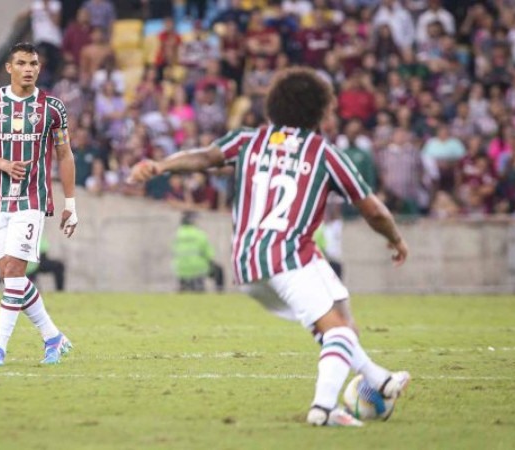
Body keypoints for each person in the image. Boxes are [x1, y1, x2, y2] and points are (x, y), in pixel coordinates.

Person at [130, 67, 410, 427]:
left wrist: (161, 165)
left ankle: (379, 380)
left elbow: (205, 157)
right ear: (320, 112)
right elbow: (372, 208)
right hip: (288, 257)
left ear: (273, 107)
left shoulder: (249, 140)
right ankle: (324, 410)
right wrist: (396, 239)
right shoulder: (323, 152)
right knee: (337, 331)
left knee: (339, 307)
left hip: (249, 263)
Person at [0, 42, 79, 366]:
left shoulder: (53, 108)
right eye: (21, 63)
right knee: (9, 274)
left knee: (16, 270)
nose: (28, 68)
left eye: (33, 63)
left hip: (32, 199)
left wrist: (70, 203)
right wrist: (2, 164)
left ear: (39, 68)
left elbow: (64, 154)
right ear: (9, 67)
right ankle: (53, 337)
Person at [173, 211, 224, 293]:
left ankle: (183, 287)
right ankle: (220, 293)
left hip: (180, 269)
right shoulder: (199, 234)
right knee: (219, 270)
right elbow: (209, 255)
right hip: (198, 268)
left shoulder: (177, 234)